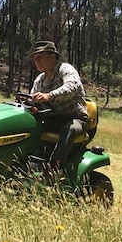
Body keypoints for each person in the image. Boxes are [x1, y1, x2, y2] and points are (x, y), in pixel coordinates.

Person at [29, 40, 88, 170]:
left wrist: (49, 95)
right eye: (35, 58)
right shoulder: (40, 80)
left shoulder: (66, 69)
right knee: (29, 125)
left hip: (75, 118)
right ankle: (29, 161)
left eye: (40, 56)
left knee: (71, 129)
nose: (36, 60)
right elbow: (32, 97)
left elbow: (71, 87)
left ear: (52, 56)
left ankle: (55, 167)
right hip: (53, 118)